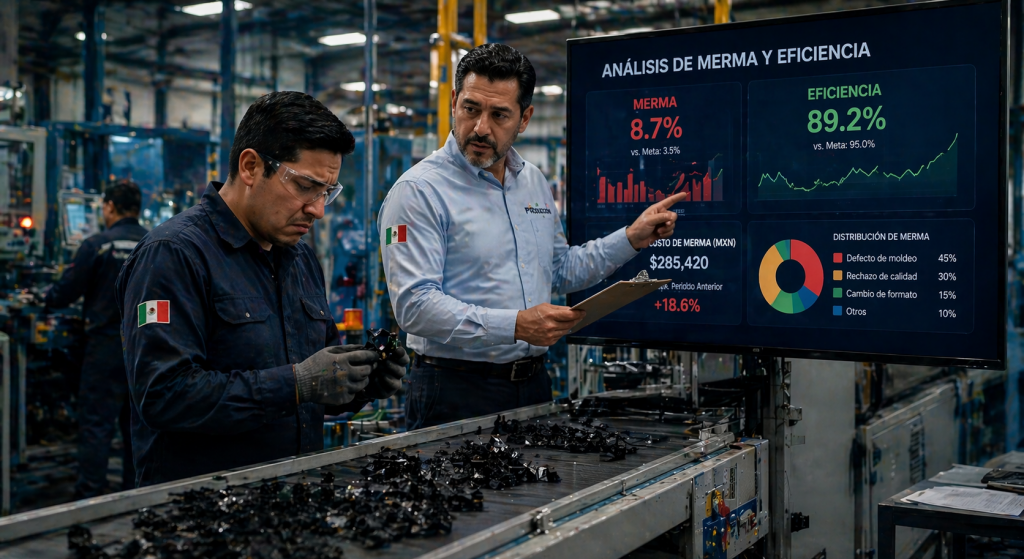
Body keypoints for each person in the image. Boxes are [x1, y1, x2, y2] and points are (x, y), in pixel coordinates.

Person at [379, 44, 682, 430]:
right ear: (454, 101)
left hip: (533, 385)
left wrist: (630, 238)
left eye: (499, 114)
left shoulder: (532, 182)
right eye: (470, 108)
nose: (481, 128)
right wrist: (516, 325)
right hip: (455, 391)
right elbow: (414, 307)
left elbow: (558, 270)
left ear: (525, 118)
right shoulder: (420, 191)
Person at [115, 91, 408, 487]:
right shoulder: (173, 255)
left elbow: (314, 385)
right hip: (201, 512)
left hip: (291, 498)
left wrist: (360, 383)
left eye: (327, 192)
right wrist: (297, 384)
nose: (318, 209)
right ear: (251, 167)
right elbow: (163, 395)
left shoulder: (300, 259)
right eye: (306, 186)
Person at [45, 180, 148, 497]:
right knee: (137, 427)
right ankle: (135, 495)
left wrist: (46, 299)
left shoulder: (97, 245)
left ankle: (91, 496)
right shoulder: (155, 243)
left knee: (96, 425)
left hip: (104, 349)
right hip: (143, 350)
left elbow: (64, 292)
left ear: (109, 207)